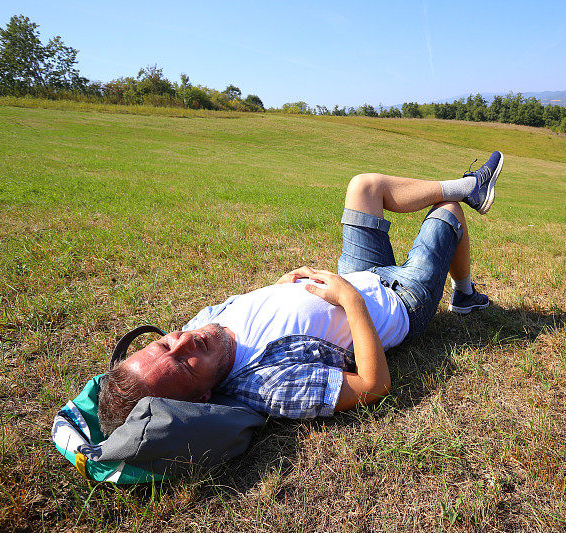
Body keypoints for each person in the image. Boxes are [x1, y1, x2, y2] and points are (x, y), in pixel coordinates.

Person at [97, 151, 504, 436]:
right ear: (204, 396)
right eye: (185, 362)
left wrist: (280, 285)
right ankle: (464, 290)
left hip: (357, 274)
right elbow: (373, 386)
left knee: (364, 187)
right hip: (399, 300)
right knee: (448, 212)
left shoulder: (198, 330)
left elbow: (252, 311)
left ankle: (469, 186)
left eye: (165, 342)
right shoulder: (267, 385)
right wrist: (349, 299)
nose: (185, 340)